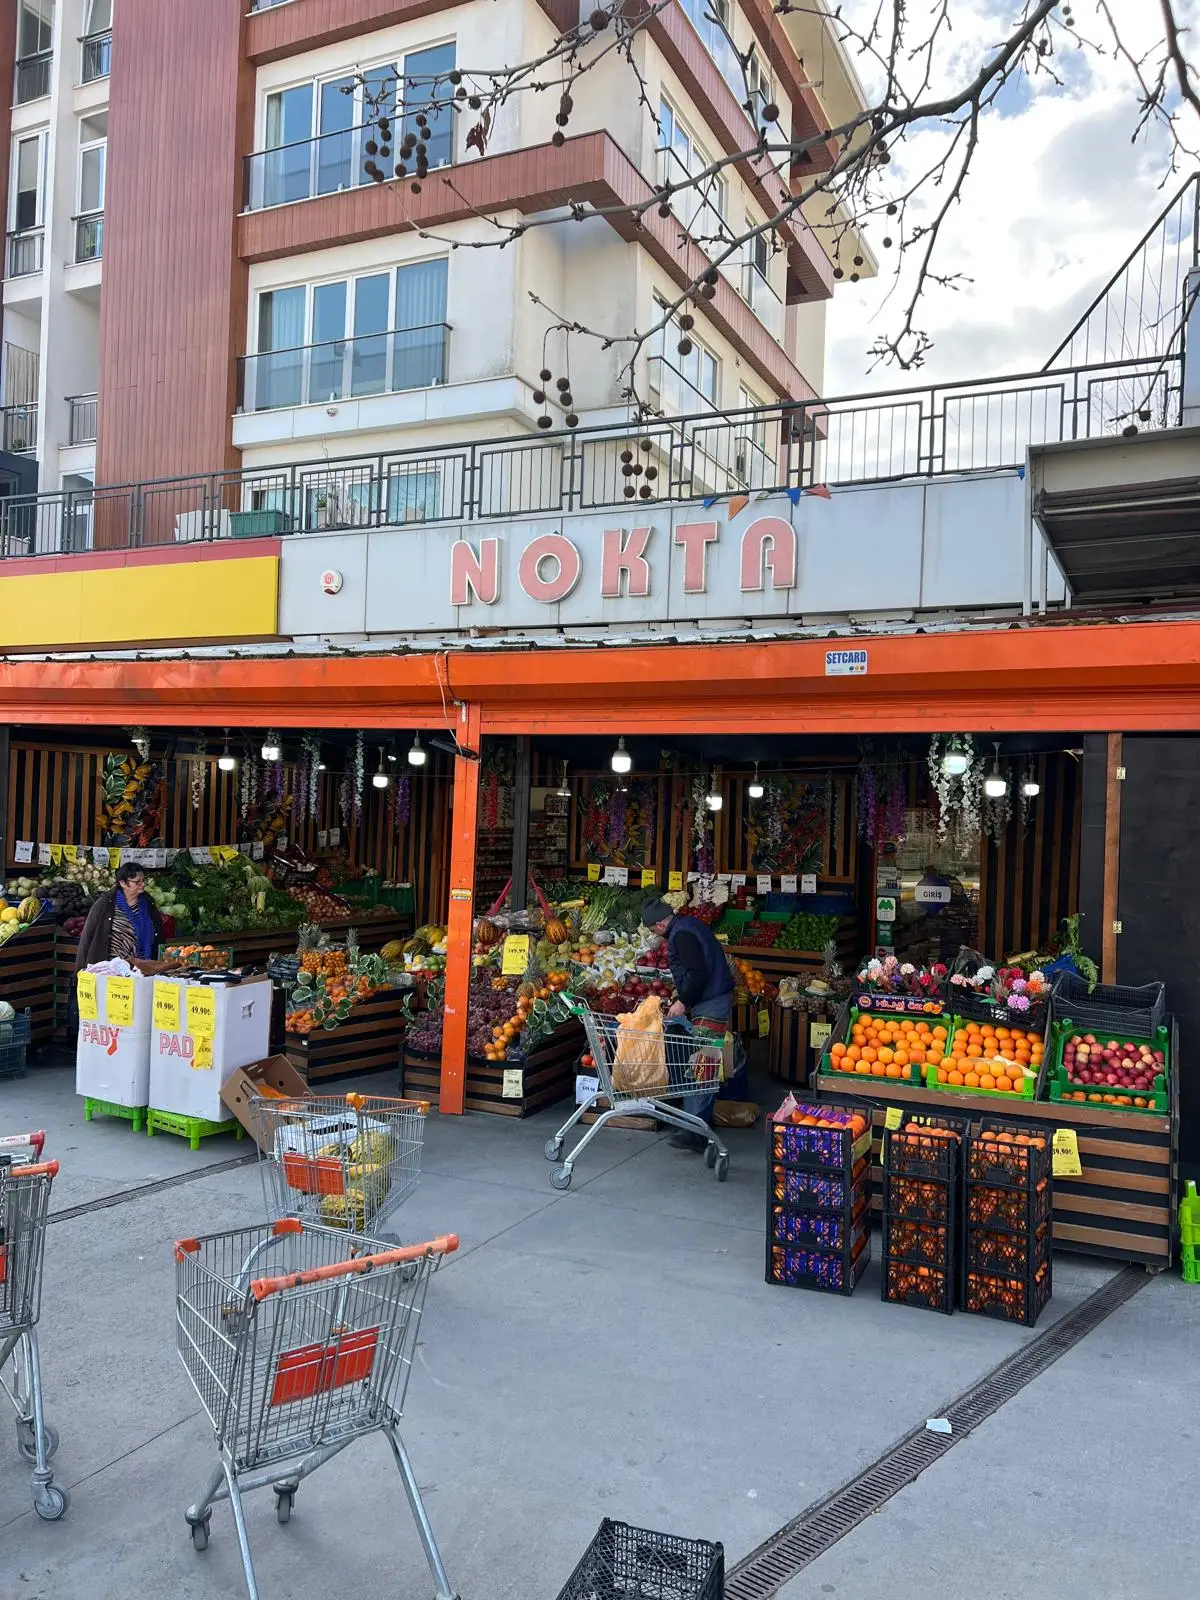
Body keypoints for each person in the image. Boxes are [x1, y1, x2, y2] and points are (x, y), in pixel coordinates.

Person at [641, 898, 734, 1151]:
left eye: (653, 929)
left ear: (660, 924)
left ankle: (697, 1132)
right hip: (712, 997)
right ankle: (697, 1124)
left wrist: (683, 1001)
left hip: (711, 1001)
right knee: (703, 1063)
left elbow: (698, 973)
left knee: (703, 1065)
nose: (655, 934)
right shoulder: (688, 924)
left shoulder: (681, 935)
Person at [75, 862, 163, 971]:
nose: (142, 884)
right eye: (137, 882)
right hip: (111, 967)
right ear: (123, 883)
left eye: (143, 881)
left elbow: (158, 931)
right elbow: (87, 936)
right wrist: (79, 970)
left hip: (141, 968)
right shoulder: (105, 904)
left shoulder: (148, 903)